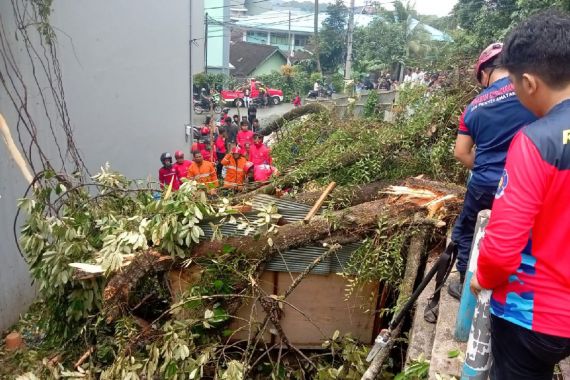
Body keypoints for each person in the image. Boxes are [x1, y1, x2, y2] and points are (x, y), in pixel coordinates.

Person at [469, 10, 570, 379]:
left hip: (533, 314)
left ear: (528, 82)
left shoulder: (536, 142)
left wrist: (483, 277)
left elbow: (502, 245)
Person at [447, 42, 537, 300]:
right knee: (522, 234)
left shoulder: (473, 108)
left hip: (484, 185)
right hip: (527, 183)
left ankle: (466, 285)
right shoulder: (531, 90)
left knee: (467, 232)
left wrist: (487, 165)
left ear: (485, 73)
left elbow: (461, 153)